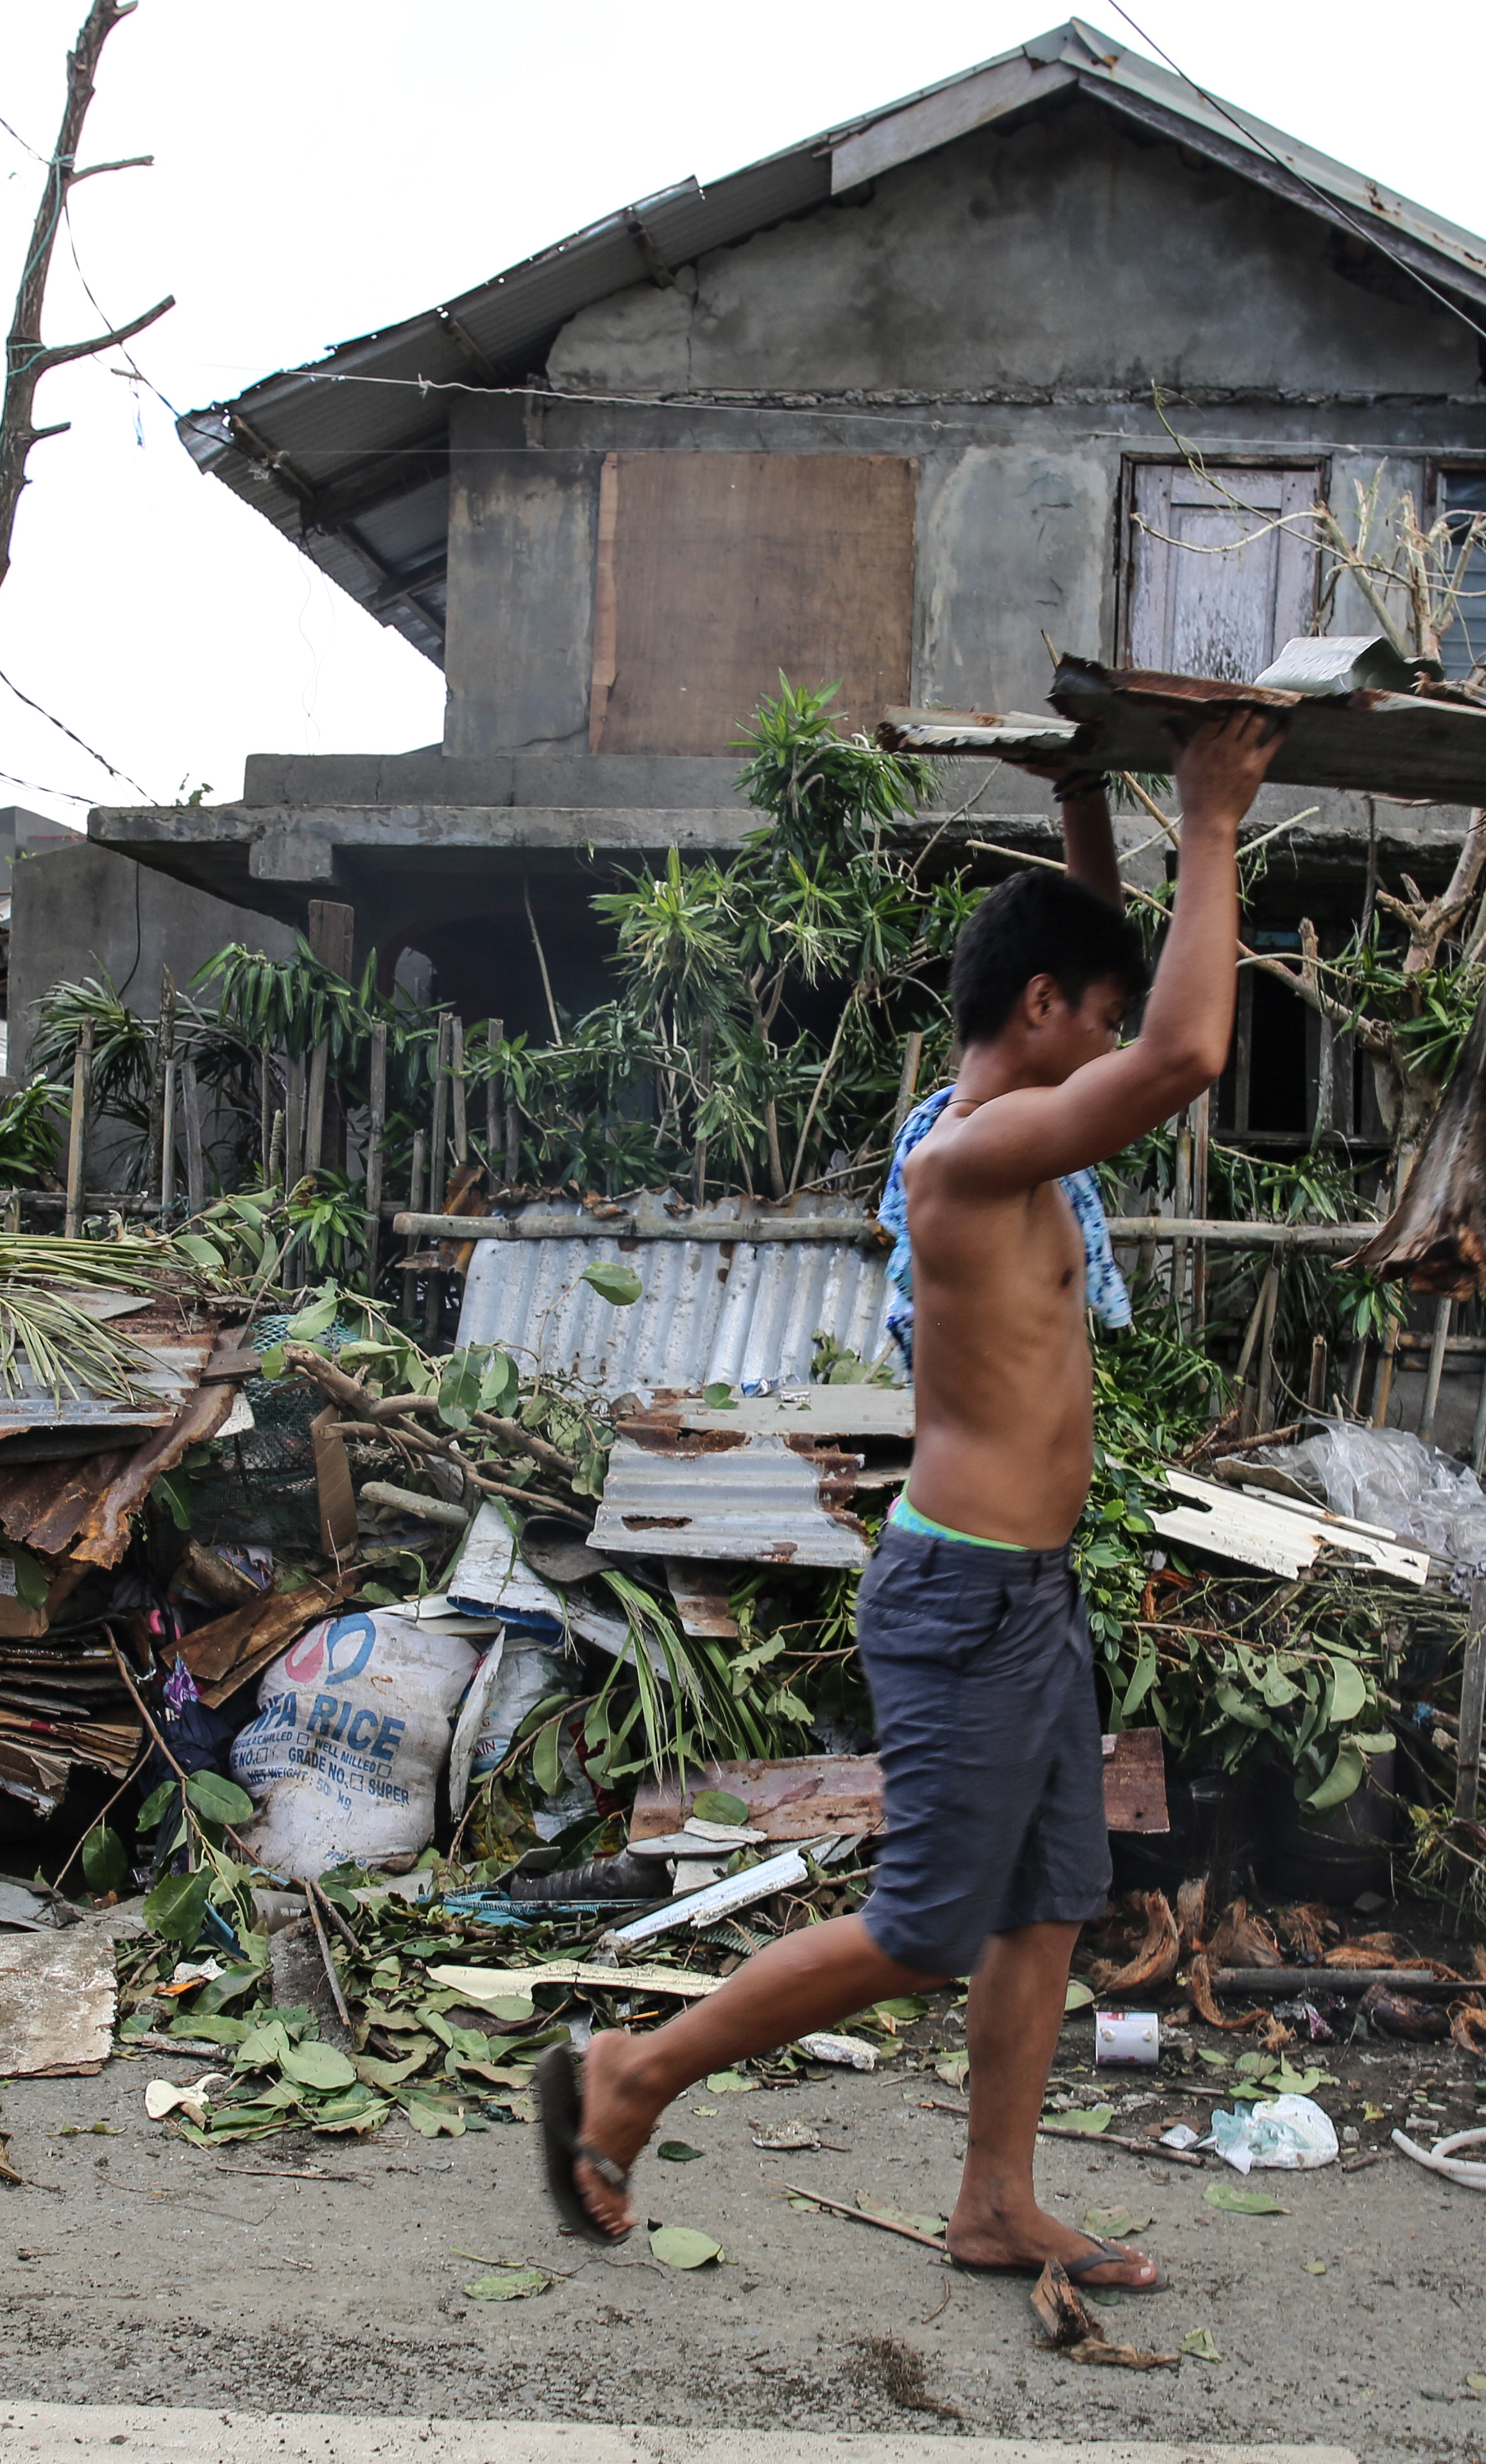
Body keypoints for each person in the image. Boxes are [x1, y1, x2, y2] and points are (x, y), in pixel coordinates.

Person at [534, 709, 1284, 2288]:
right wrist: (1210, 813)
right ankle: (633, 2075)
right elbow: (1191, 1048)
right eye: (1089, 1016)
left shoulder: (1022, 1136)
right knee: (934, 1923)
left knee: (1046, 1905)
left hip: (1033, 1591)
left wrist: (1090, 802)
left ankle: (995, 2202)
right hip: (963, 1596)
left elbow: (1125, 996)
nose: (1113, 1040)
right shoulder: (965, 1162)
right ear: (1037, 1011)